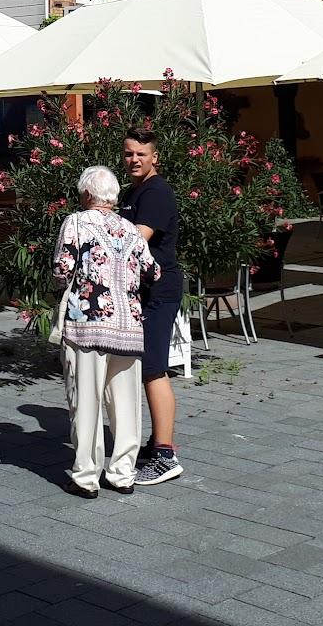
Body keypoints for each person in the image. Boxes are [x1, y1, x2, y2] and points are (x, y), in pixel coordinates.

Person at [53, 165, 159, 498]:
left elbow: (61, 268)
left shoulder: (76, 221)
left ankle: (86, 477)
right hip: (129, 326)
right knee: (126, 404)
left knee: (86, 401)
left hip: (88, 325)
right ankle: (123, 474)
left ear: (86, 194)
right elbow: (152, 272)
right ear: (112, 196)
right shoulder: (130, 229)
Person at [122, 127, 184, 486]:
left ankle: (165, 454)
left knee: (153, 369)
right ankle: (153, 443)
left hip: (158, 291)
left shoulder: (157, 192)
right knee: (145, 368)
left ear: (155, 157)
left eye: (141, 154)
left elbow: (135, 240)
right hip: (141, 291)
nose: (134, 160)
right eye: (129, 153)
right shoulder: (136, 191)